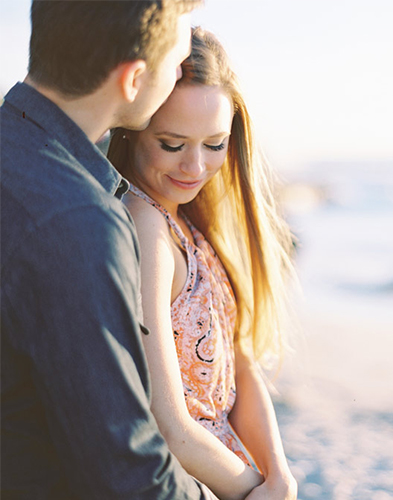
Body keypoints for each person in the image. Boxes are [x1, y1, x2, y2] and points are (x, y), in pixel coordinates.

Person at [0, 1, 222, 498]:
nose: (187, 58)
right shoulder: (77, 223)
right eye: (179, 51)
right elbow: (127, 473)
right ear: (133, 79)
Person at [106, 27, 298, 500]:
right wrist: (254, 488)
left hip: (230, 475)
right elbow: (167, 424)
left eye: (214, 144)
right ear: (133, 132)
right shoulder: (146, 227)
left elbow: (239, 360)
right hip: (190, 485)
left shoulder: (188, 220)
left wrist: (279, 474)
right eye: (172, 144)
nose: (195, 168)